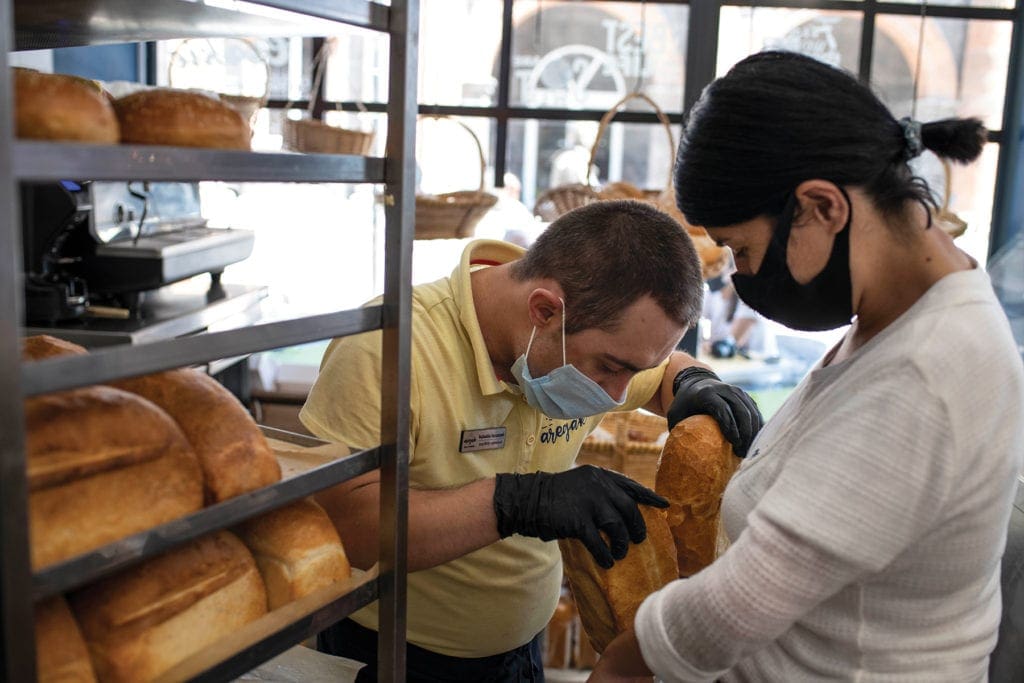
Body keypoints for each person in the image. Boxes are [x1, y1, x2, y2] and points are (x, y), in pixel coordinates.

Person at [589, 51, 1024, 682]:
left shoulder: (928, 373)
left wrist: (624, 665)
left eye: (742, 248)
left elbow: (739, 606)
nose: (741, 274)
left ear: (823, 207)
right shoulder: (900, 316)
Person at [299, 199, 763, 681]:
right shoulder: (389, 347)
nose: (618, 394)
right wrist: (516, 502)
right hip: (392, 654)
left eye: (635, 370)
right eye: (609, 367)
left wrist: (696, 383)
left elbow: (665, 370)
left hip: (521, 652)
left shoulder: (591, 342)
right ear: (544, 310)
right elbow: (348, 527)